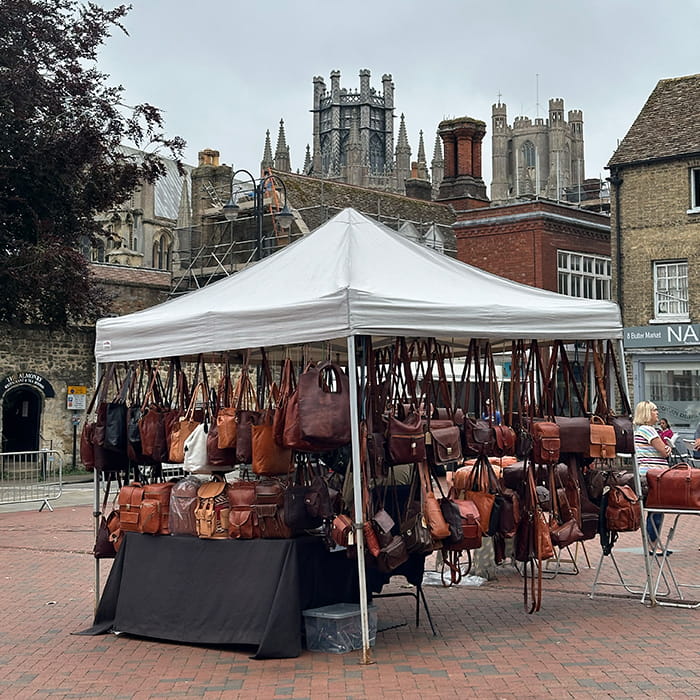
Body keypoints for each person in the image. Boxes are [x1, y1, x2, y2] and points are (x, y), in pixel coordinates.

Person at [634, 400, 672, 555]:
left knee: (656, 510)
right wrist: (667, 448)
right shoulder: (648, 430)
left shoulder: (641, 430)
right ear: (647, 413)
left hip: (648, 473)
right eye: (654, 410)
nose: (657, 413)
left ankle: (654, 543)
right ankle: (652, 545)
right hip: (654, 475)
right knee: (656, 510)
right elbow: (663, 451)